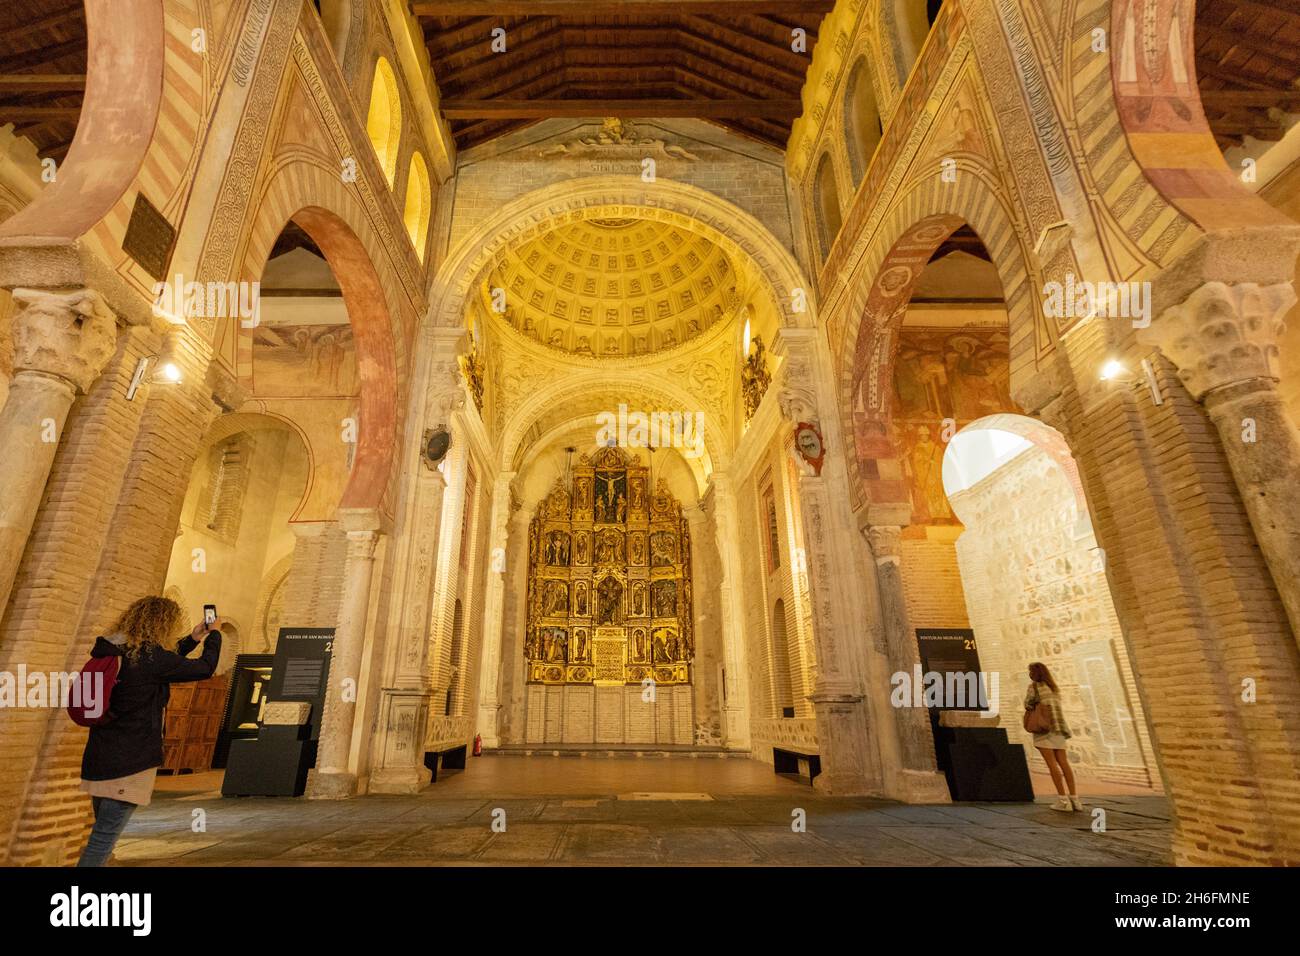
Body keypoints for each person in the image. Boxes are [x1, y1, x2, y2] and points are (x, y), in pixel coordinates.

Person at [76, 596, 223, 867]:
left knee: (104, 830)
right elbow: (205, 668)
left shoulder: (115, 650)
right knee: (103, 838)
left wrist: (192, 638)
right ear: (163, 624)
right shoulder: (152, 659)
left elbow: (161, 662)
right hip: (131, 760)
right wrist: (214, 636)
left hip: (99, 757)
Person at [1024, 662, 1082, 812]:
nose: (1029, 674)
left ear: (1035, 673)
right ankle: (1075, 799)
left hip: (1044, 729)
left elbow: (1028, 704)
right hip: (1059, 728)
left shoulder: (1034, 687)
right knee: (1064, 763)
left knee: (1052, 764)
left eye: (1030, 671)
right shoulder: (1054, 688)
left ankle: (1063, 799)